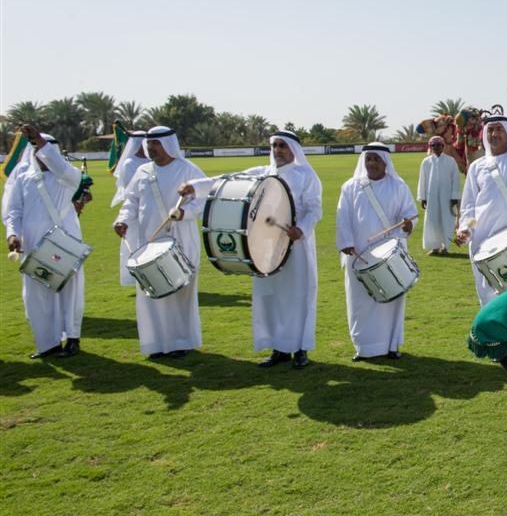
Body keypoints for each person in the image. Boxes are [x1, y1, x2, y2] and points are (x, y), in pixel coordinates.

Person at [181, 130, 322, 369]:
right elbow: (228, 179)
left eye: (282, 146)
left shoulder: (306, 175)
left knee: (296, 297)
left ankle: (300, 349)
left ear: (293, 149)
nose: (277, 150)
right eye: (274, 146)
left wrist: (302, 229)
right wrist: (195, 187)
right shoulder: (263, 173)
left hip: (295, 246)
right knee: (271, 298)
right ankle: (279, 349)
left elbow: (315, 209)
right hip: (264, 247)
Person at [113, 126, 206, 359]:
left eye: (156, 143)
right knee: (151, 294)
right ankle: (156, 344)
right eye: (149, 144)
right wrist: (122, 220)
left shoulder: (187, 169)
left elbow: (204, 199)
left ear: (168, 144)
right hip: (149, 242)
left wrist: (185, 214)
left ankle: (181, 342)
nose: (151, 148)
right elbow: (131, 202)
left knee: (180, 293)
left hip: (181, 240)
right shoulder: (142, 172)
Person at [3, 127, 86, 359]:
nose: (40, 154)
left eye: (44, 150)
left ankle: (72, 339)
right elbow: (13, 210)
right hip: (32, 245)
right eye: (35, 149)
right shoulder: (22, 176)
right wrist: (12, 234)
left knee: (69, 292)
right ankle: (47, 344)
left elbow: (59, 166)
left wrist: (39, 140)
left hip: (64, 243)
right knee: (36, 296)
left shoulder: (67, 176)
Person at [455, 85, 507, 306]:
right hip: (484, 240)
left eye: (499, 129)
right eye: (490, 130)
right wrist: (466, 228)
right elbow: (470, 207)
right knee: (491, 300)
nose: (494, 134)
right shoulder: (476, 167)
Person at [336, 143, 418, 360]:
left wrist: (408, 225)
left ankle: (392, 346)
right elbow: (343, 217)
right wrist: (346, 242)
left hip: (390, 256)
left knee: (392, 300)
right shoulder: (350, 187)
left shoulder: (398, 186)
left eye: (376, 159)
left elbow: (410, 214)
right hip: (359, 255)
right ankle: (364, 348)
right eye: (368, 159)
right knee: (360, 302)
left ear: (385, 162)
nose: (371, 163)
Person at [110, 130, 149, 286]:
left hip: (150, 209)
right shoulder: (129, 163)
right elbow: (131, 189)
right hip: (135, 210)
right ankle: (135, 279)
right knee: (134, 243)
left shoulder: (152, 161)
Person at [417, 135, 462, 255]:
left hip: (447, 197)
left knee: (447, 220)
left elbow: (456, 180)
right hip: (431, 198)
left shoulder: (450, 161)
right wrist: (423, 198)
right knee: (432, 221)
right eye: (433, 145)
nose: (436, 147)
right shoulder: (426, 162)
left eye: (439, 145)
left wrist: (455, 197)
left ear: (443, 146)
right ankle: (434, 247)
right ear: (430, 147)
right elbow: (423, 181)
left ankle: (445, 247)